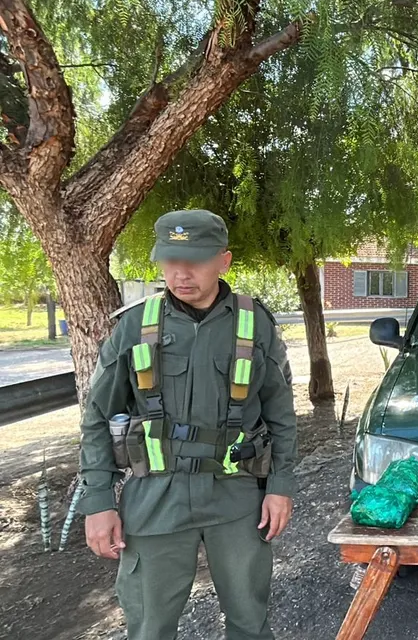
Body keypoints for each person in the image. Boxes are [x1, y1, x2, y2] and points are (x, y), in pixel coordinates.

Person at [78, 209, 298, 640]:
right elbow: (98, 418)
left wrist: (280, 486)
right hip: (155, 499)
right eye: (170, 260)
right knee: (150, 628)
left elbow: (280, 414)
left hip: (236, 499)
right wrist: (98, 501)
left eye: (195, 260)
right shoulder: (134, 326)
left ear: (223, 260)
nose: (181, 274)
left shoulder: (255, 324)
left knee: (250, 624)